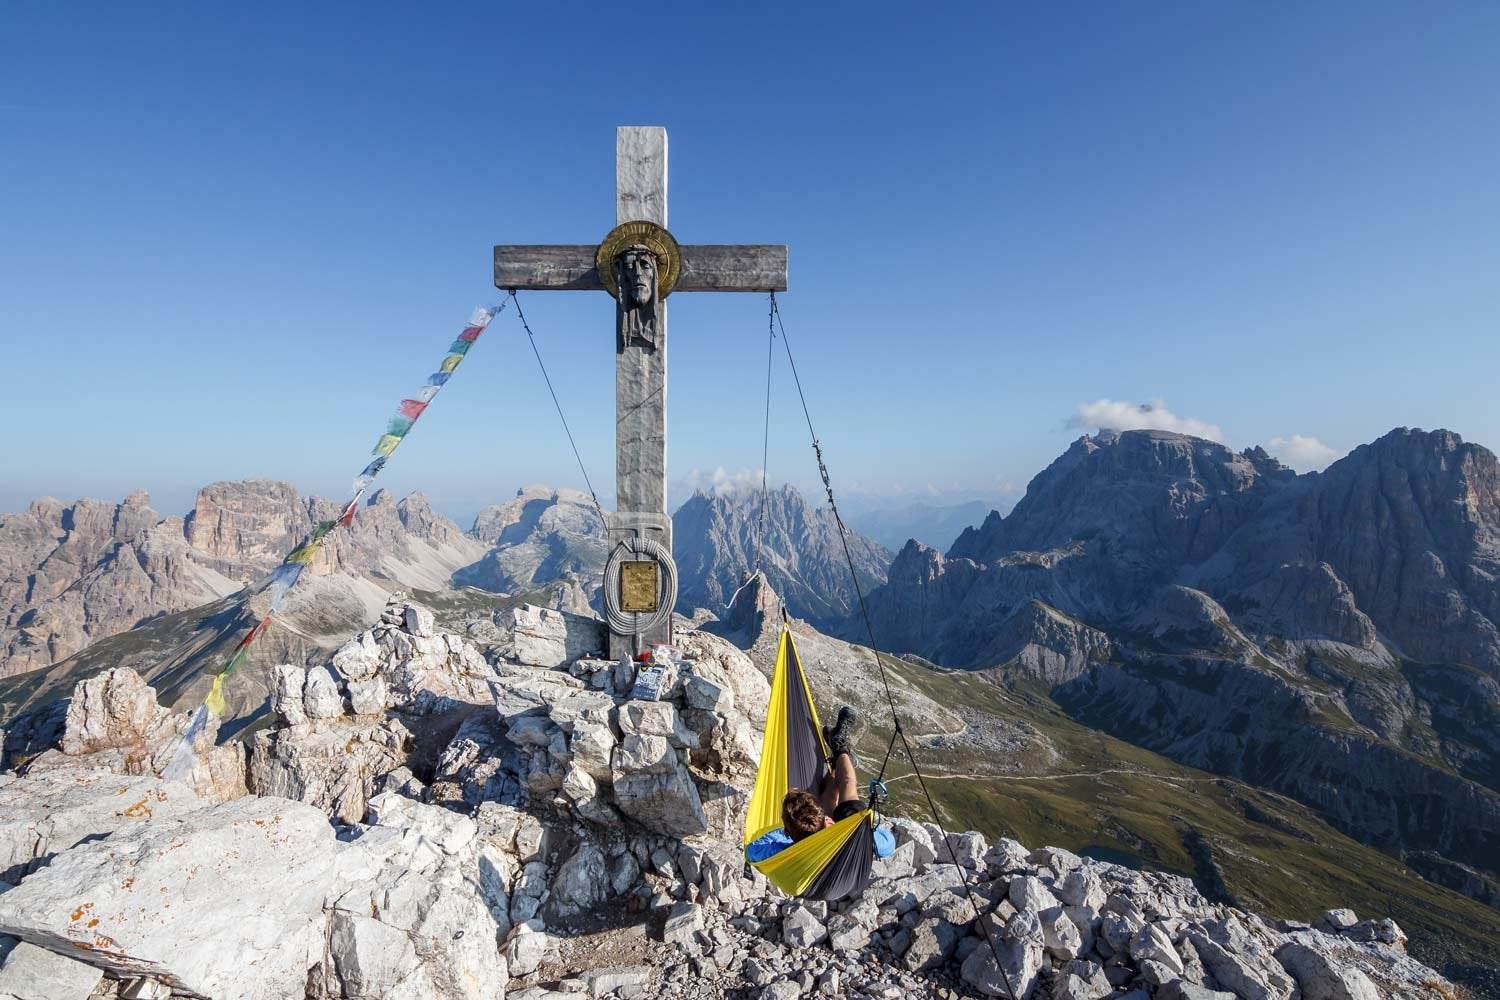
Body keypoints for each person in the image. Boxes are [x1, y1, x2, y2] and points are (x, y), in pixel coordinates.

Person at [745, 706, 897, 862]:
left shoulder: (789, 853)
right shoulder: (861, 841)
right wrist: (864, 832)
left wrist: (788, 833)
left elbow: (751, 851)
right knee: (848, 784)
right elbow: (889, 842)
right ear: (825, 821)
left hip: (824, 845)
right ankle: (840, 747)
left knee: (828, 796)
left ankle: (836, 765)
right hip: (845, 840)